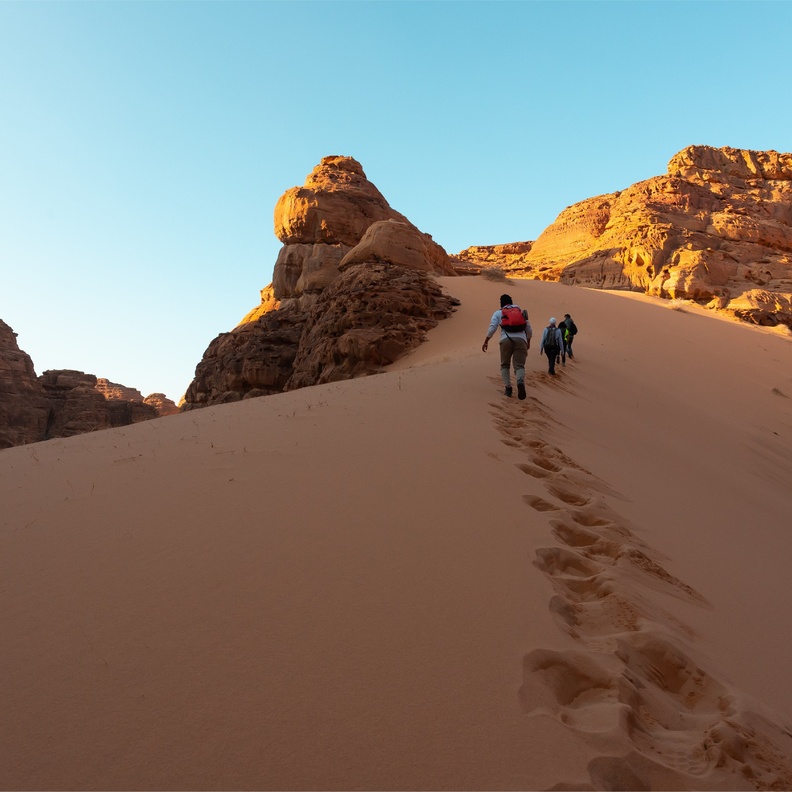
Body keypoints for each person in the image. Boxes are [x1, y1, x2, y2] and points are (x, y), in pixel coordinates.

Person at [482, 293, 532, 399]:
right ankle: (520, 382)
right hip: (521, 340)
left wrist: (486, 340)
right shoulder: (520, 311)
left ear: (501, 304)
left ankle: (508, 388)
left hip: (505, 340)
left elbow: (493, 327)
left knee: (505, 365)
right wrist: (528, 341)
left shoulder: (498, 313)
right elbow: (529, 329)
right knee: (519, 366)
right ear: (512, 302)